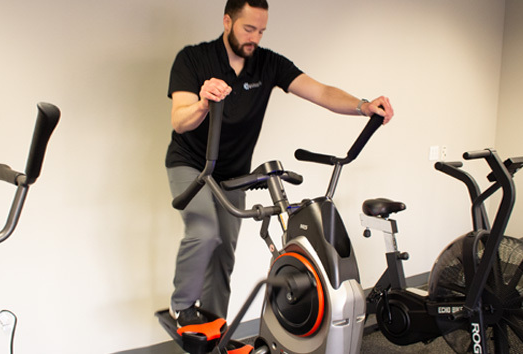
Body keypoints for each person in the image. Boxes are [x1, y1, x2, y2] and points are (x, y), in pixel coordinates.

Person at [165, 0, 394, 327]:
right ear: (227, 21)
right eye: (248, 29)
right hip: (191, 164)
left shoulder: (267, 64)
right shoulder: (193, 59)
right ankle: (181, 306)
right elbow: (179, 120)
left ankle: (213, 327)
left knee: (224, 253)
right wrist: (203, 103)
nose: (254, 38)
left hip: (233, 172)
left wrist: (363, 106)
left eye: (261, 31)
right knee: (204, 231)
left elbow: (321, 91)